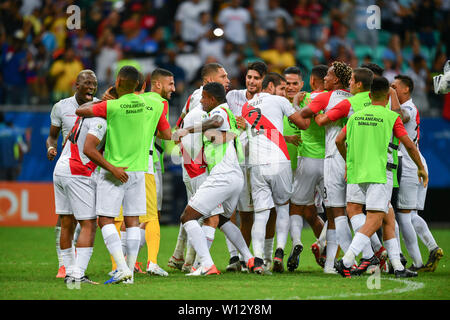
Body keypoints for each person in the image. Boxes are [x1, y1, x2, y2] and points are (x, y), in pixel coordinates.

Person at [76, 65, 171, 284]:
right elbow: (166, 134)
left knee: (106, 220)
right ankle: (129, 273)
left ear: (118, 83)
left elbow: (81, 111)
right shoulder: (154, 106)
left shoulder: (112, 106)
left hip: (114, 171)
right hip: (140, 170)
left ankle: (122, 268)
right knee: (133, 221)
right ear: (143, 85)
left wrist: (105, 99)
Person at [335, 76, 428, 278]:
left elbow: (339, 140)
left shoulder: (355, 116)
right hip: (379, 174)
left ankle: (398, 266)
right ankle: (346, 260)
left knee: (389, 217)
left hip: (356, 174)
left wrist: (349, 161)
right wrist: (420, 167)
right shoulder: (390, 117)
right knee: (375, 220)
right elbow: (409, 144)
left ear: (369, 95)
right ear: (388, 96)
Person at [172, 82, 255, 276]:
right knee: (224, 220)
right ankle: (250, 259)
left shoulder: (219, 112)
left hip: (223, 175)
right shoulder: (231, 116)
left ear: (212, 98)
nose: (201, 102)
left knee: (187, 217)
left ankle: (207, 264)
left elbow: (216, 122)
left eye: (204, 98)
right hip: (235, 176)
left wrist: (189, 130)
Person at [315, 67, 388, 273]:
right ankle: (383, 252)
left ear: (358, 83)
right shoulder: (378, 101)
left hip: (339, 156)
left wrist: (314, 106)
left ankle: (359, 260)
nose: (349, 85)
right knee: (374, 211)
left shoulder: (350, 102)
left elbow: (321, 121)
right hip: (371, 160)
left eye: (352, 81)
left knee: (339, 211)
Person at [237, 72, 309, 273]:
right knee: (283, 207)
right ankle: (278, 251)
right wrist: (299, 105)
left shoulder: (246, 107)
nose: (285, 91)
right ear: (270, 87)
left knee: (260, 214)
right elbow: (303, 123)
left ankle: (258, 259)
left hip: (257, 164)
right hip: (280, 161)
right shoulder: (280, 100)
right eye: (283, 87)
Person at [169, 63, 231, 272]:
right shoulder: (202, 99)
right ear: (208, 82)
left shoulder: (194, 98)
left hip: (193, 163)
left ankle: (181, 257)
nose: (227, 80)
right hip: (198, 166)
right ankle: (193, 262)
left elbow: (180, 124)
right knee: (204, 215)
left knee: (193, 210)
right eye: (222, 76)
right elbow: (207, 132)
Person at [299, 61, 353, 273]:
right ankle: (372, 255)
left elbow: (305, 114)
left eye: (329, 76)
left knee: (335, 212)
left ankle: (346, 262)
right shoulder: (355, 99)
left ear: (336, 80)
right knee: (356, 210)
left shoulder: (325, 96)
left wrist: (303, 102)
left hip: (333, 155)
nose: (325, 79)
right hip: (352, 157)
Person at [46, 69, 99, 279]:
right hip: (73, 166)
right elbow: (52, 136)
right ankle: (66, 267)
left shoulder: (100, 105)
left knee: (79, 220)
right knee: (69, 220)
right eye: (86, 83)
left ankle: (71, 268)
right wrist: (50, 148)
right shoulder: (61, 107)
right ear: (76, 85)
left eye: (94, 84)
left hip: (87, 169)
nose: (91, 87)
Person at [391, 75, 444, 272]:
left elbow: (400, 115)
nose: (391, 89)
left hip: (410, 164)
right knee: (411, 214)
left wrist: (388, 94)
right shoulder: (410, 107)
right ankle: (433, 247)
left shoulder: (409, 109)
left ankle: (418, 262)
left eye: (395, 86)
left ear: (406, 90)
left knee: (403, 216)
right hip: (416, 162)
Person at [53, 113, 107, 285]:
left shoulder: (82, 118)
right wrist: (112, 169)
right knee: (89, 224)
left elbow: (66, 140)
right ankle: (77, 275)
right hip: (77, 172)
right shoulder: (100, 121)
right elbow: (89, 149)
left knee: (67, 222)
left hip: (60, 169)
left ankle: (69, 272)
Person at [225, 61, 267, 271]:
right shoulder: (233, 96)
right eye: (249, 77)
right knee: (229, 210)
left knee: (247, 214)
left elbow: (269, 128)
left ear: (263, 80)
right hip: (233, 160)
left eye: (256, 78)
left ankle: (244, 258)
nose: (251, 81)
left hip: (254, 162)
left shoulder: (266, 101)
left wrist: (249, 124)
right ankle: (234, 257)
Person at [287, 64, 328, 272]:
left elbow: (302, 119)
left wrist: (295, 102)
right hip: (330, 160)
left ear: (311, 81)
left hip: (307, 158)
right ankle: (322, 244)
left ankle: (296, 242)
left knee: (296, 206)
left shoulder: (306, 99)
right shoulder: (334, 99)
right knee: (337, 210)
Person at [139, 68, 175, 276]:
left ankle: (128, 262)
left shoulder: (139, 100)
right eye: (170, 84)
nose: (174, 88)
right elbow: (165, 133)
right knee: (152, 214)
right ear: (158, 84)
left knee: (132, 215)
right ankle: (148, 262)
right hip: (151, 161)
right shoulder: (160, 103)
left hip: (133, 161)